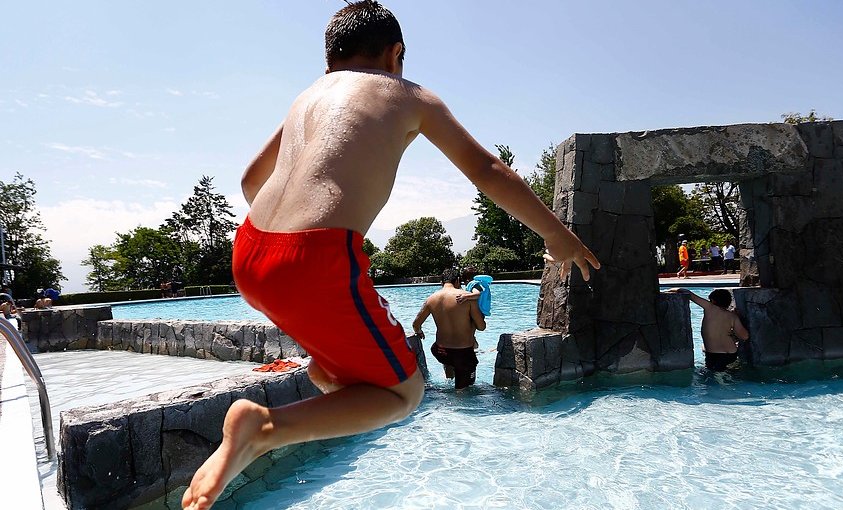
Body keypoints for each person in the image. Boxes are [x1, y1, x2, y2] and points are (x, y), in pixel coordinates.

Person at [182, 3, 600, 509]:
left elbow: (251, 181)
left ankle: (318, 377)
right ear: (395, 55)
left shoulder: (306, 98)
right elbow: (489, 169)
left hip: (249, 251)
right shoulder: (410, 95)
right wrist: (557, 236)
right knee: (403, 392)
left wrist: (284, 244)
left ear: (330, 59)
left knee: (339, 375)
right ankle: (262, 427)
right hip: (317, 257)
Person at [411, 268, 485, 389]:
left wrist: (419, 332)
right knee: (465, 391)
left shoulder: (431, 299)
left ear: (441, 283)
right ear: (458, 281)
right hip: (463, 354)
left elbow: (416, 325)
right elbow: (481, 327)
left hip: (441, 351)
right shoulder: (466, 297)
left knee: (448, 361)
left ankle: (449, 374)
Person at [666, 288, 749, 371]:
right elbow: (745, 336)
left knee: (712, 374)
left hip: (712, 353)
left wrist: (671, 290)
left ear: (713, 301)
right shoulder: (732, 317)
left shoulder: (709, 307)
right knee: (719, 374)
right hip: (729, 353)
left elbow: (689, 294)